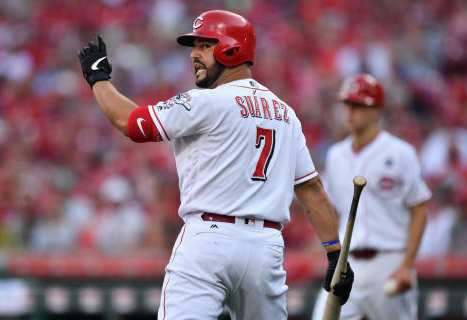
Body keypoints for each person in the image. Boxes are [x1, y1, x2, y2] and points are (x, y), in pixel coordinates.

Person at [77, 10, 353, 320]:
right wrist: (334, 253)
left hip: (208, 240)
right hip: (265, 248)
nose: (194, 55)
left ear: (232, 48)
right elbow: (310, 187)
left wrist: (98, 80)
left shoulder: (206, 101)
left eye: (205, 45)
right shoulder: (285, 113)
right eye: (194, 47)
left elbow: (131, 124)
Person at [312, 74, 431, 320]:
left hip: (389, 259)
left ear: (376, 110)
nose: (350, 111)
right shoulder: (335, 155)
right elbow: (332, 212)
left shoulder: (400, 152)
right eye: (347, 104)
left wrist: (407, 265)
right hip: (348, 262)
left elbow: (419, 209)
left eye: (358, 105)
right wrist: (329, 253)